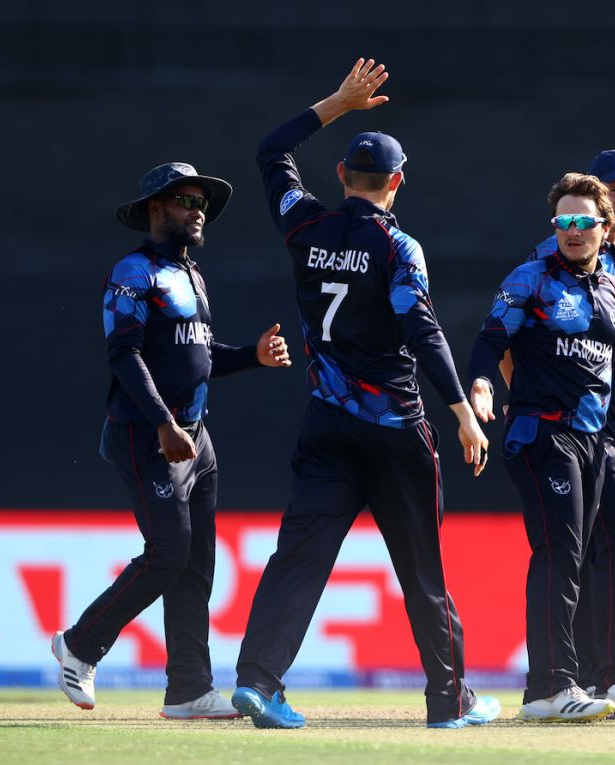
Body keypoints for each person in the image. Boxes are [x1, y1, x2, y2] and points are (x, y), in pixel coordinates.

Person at [230, 59, 499, 730]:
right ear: (397, 183)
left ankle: (259, 683)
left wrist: (338, 105)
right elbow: (423, 328)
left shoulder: (305, 227)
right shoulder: (397, 247)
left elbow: (270, 150)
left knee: (299, 556)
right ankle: (448, 700)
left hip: (326, 428)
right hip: (394, 430)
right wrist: (463, 412)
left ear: (344, 175)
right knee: (421, 571)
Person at [51, 162, 292, 719]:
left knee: (196, 566)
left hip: (195, 441)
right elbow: (125, 356)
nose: (198, 209)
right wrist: (163, 422)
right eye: (186, 200)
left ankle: (187, 688)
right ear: (156, 209)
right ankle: (79, 645)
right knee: (169, 554)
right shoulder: (133, 273)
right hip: (147, 435)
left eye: (201, 201)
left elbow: (199, 356)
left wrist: (250, 358)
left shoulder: (191, 275)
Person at [467, 172, 615, 723]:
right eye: (564, 222)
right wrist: (482, 382)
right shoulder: (530, 279)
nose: (572, 231)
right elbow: (489, 341)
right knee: (561, 553)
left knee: (613, 546)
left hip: (596, 437)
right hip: (541, 433)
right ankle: (549, 687)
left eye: (583, 222)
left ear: (605, 226)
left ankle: (613, 677)